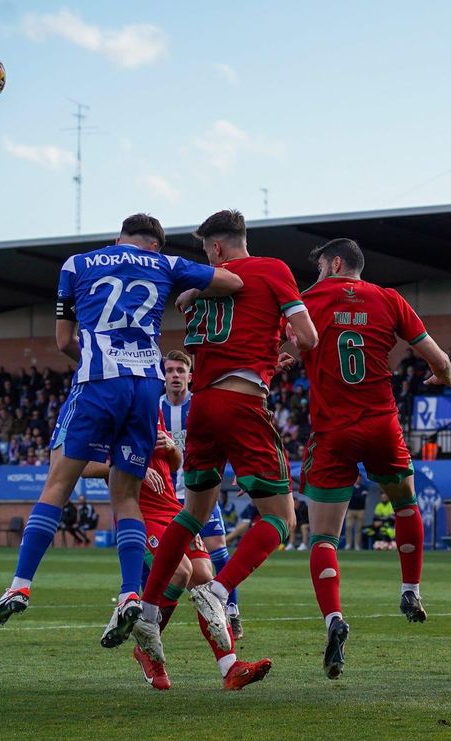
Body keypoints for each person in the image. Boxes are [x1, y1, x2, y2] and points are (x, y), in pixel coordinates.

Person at [0, 213, 242, 659]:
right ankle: (128, 594)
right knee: (126, 497)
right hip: (145, 387)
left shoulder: (77, 264)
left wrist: (97, 363)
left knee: (57, 484)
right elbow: (232, 282)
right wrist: (193, 290)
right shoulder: (164, 264)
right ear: (155, 246)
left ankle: (20, 586)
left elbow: (65, 340)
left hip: (98, 381)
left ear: (117, 238)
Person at [137, 209, 317, 667]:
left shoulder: (200, 291)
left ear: (216, 249)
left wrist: (266, 347)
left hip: (203, 407)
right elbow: (310, 337)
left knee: (193, 512)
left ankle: (151, 607)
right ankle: (218, 591)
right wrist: (286, 346)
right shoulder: (272, 268)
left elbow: (209, 322)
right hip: (242, 404)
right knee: (282, 519)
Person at [286, 237, 451, 678]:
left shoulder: (307, 302)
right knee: (406, 503)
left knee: (323, 537)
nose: (317, 274)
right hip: (382, 424)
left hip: (333, 431)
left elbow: (284, 347)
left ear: (335, 262)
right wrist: (442, 377)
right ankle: (411, 588)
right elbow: (438, 359)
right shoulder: (390, 299)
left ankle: (335, 619)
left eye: (320, 266)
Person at [85, 411, 271, 692]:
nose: (167, 375)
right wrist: (132, 467)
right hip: (139, 512)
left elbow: (171, 464)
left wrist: (172, 450)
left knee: (204, 577)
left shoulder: (153, 409)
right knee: (179, 573)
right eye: (167, 369)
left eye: (175, 370)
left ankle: (230, 668)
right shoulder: (111, 406)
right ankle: (149, 653)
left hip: (172, 507)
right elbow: (83, 465)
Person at [158, 349, 243, 639]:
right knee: (165, 558)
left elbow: (227, 437)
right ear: (164, 375)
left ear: (190, 376)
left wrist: (241, 470)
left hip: (200, 491)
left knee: (218, 548)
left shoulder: (201, 405)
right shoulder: (154, 408)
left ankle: (231, 611)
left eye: (181, 371)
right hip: (167, 497)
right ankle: (144, 606)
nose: (175, 376)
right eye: (170, 371)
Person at [345, 475, 369, 551]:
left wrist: (355, 496)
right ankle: (348, 544)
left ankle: (357, 544)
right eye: (356, 477)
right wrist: (357, 496)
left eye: (359, 478)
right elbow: (350, 497)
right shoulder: (350, 487)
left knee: (358, 528)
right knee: (348, 527)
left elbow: (362, 498)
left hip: (360, 510)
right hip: (351, 510)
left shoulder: (364, 488)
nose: (358, 479)